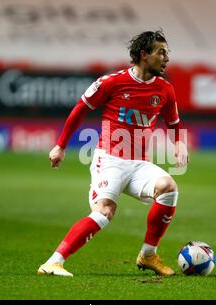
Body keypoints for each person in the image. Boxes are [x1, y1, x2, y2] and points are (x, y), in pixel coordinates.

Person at [37, 30, 188, 277]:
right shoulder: (112, 82)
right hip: (109, 160)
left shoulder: (165, 90)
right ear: (144, 55)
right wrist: (61, 145)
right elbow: (80, 109)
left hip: (139, 164)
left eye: (167, 53)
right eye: (161, 52)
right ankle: (53, 262)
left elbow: (174, 124)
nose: (166, 58)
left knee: (169, 187)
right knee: (105, 211)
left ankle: (148, 254)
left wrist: (180, 144)